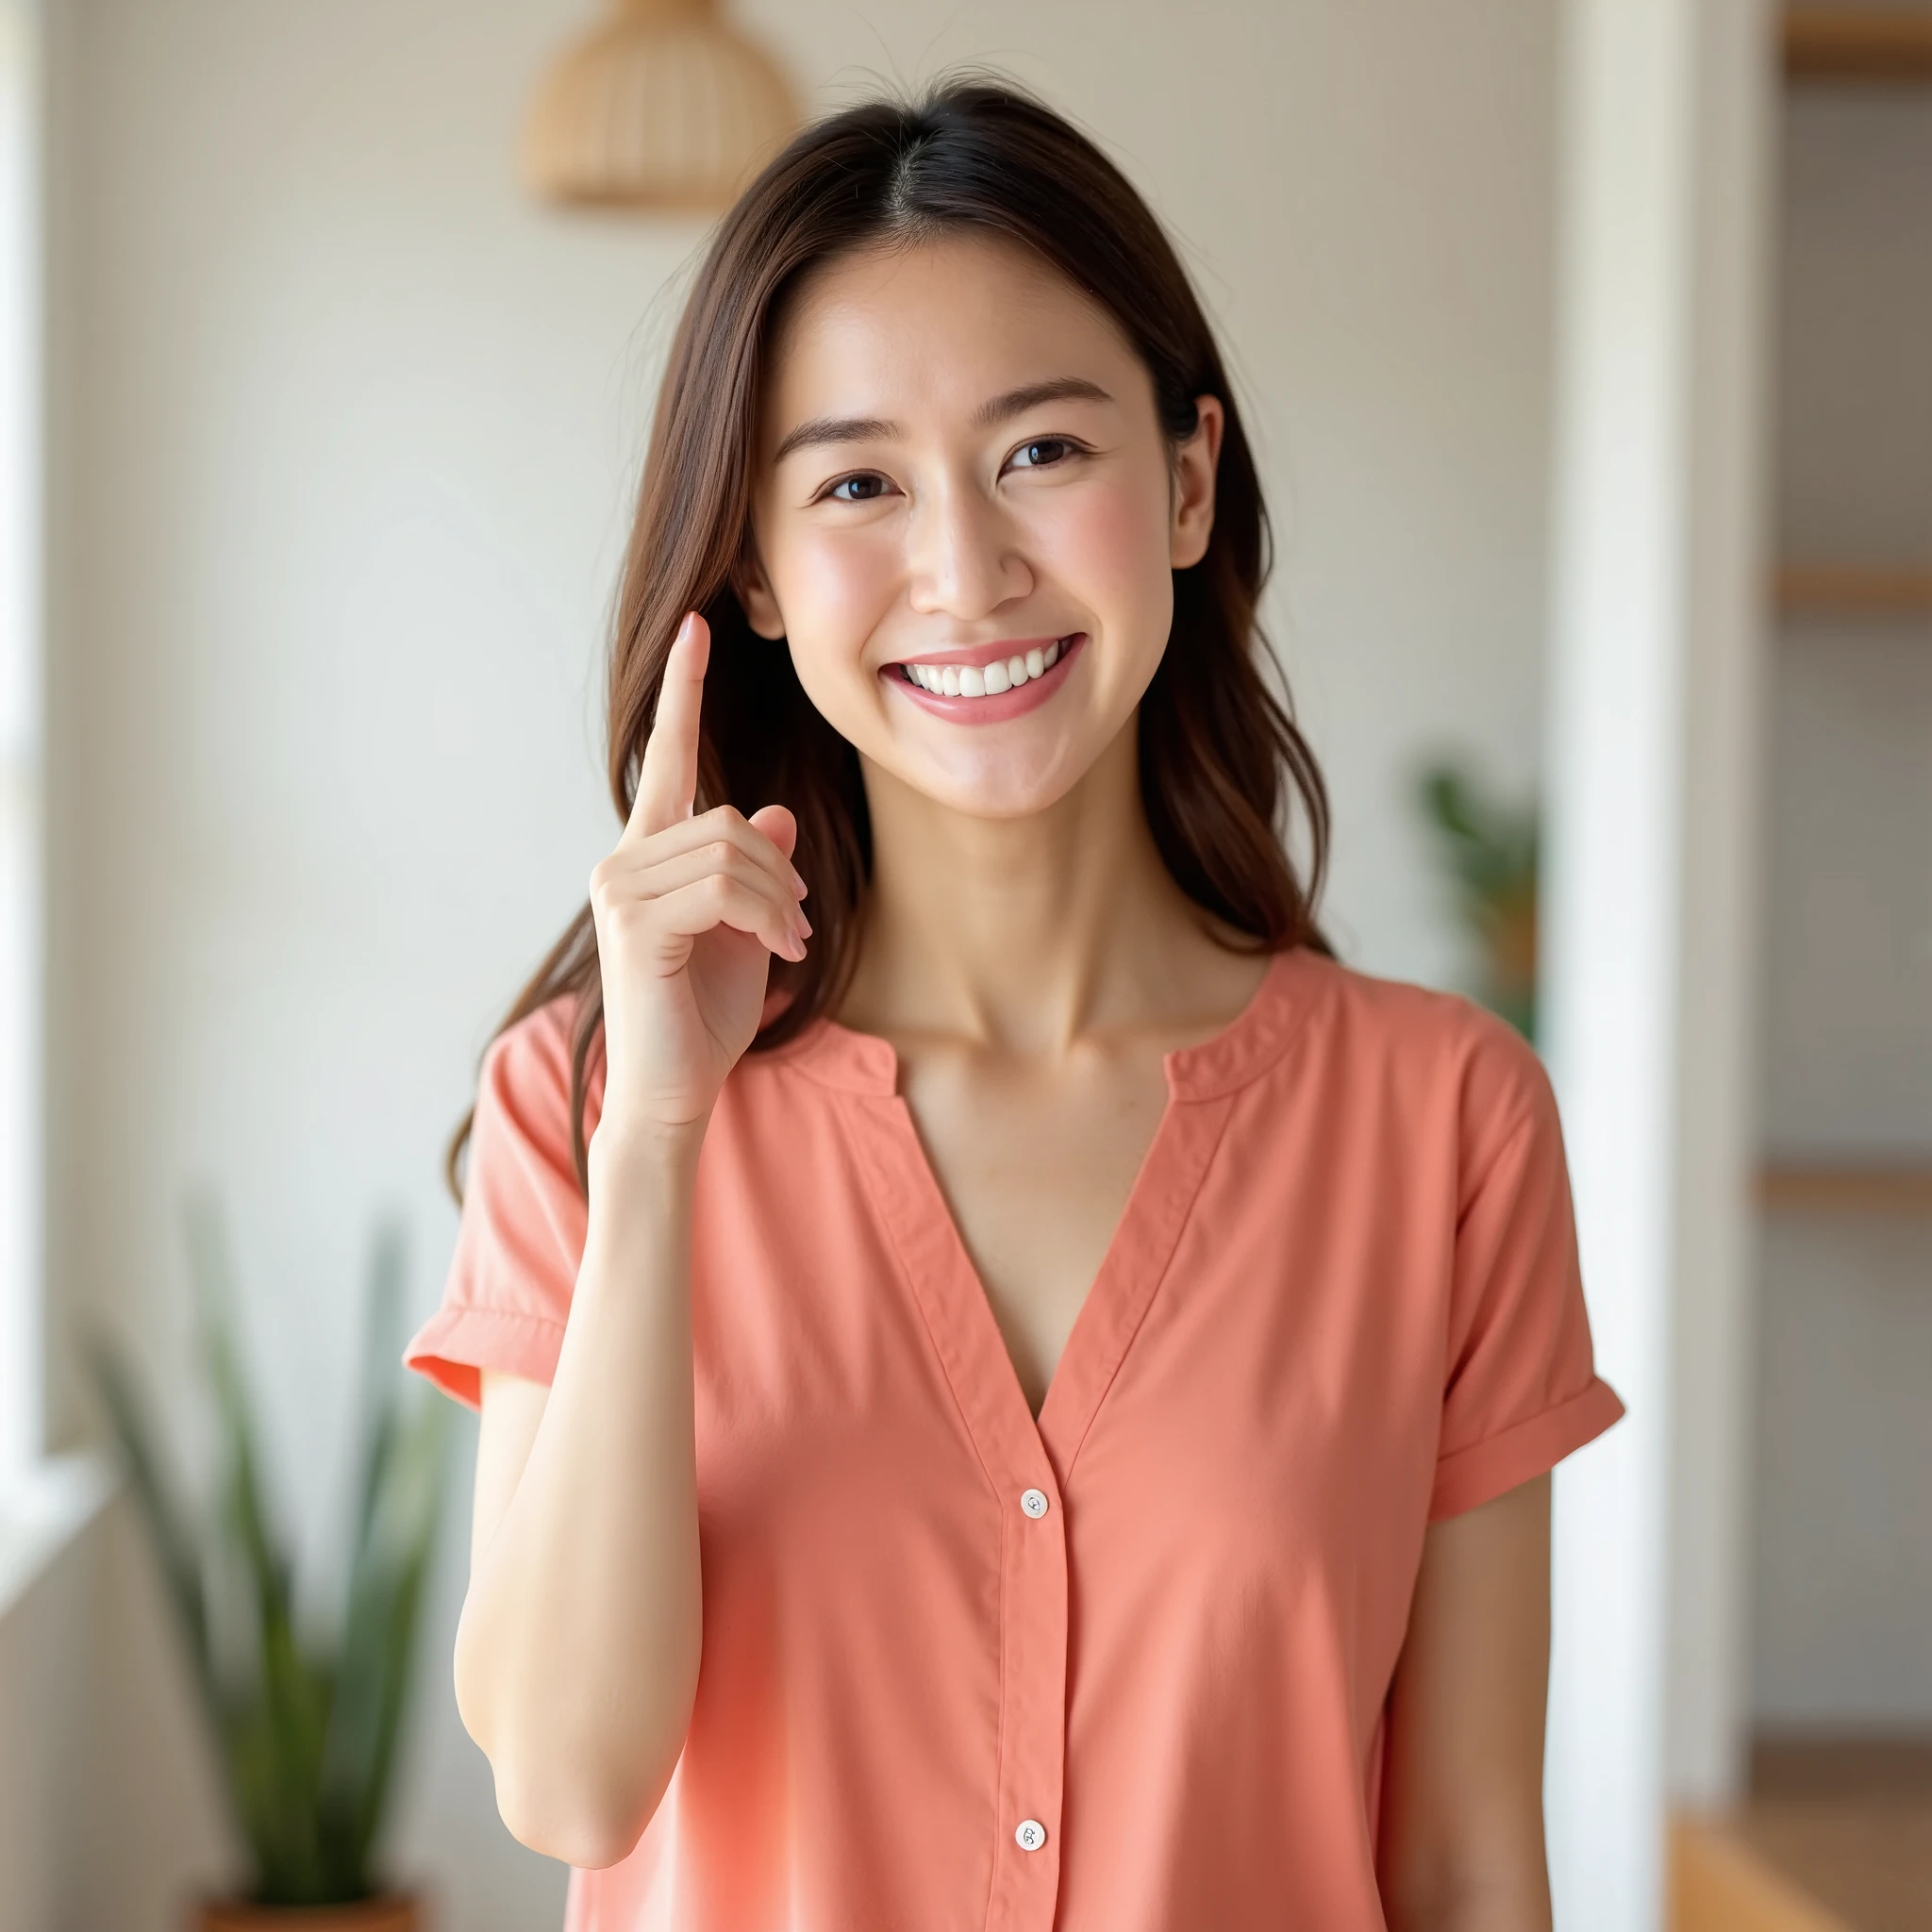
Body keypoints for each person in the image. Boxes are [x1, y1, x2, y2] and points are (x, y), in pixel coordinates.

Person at [405, 78, 1624, 1932]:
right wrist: (655, 1139)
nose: (965, 571)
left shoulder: (1445, 1123)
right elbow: (569, 1777)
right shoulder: (578, 1098)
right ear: (749, 558)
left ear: (1189, 480)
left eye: (1042, 452)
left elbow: (1463, 1868)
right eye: (857, 483)